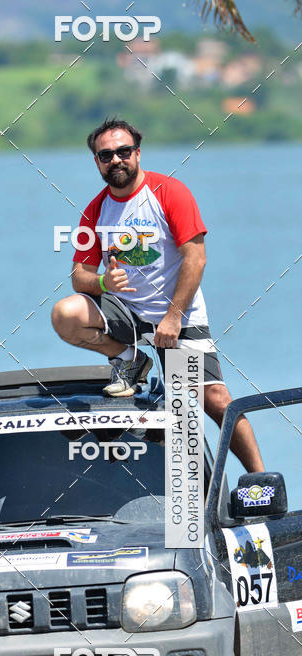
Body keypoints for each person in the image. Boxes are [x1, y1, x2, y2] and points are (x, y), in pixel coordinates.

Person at [51, 117, 263, 473]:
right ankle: (131, 360)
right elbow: (79, 277)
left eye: (123, 151)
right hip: (126, 316)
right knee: (65, 314)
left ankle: (262, 478)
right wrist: (105, 284)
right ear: (97, 162)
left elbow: (196, 258)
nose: (116, 160)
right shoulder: (95, 210)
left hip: (175, 318)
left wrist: (174, 317)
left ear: (137, 152)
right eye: (106, 155)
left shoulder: (169, 192)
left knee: (214, 399)